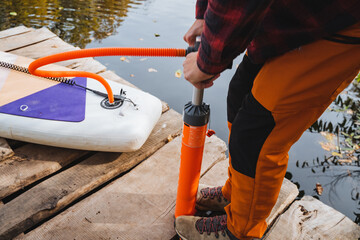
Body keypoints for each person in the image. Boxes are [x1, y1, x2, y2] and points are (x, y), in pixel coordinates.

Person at [174, 0, 360, 239]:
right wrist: (204, 16)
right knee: (240, 94)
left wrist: (207, 62)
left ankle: (240, 230)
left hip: (339, 22)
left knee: (258, 131)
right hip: (293, 14)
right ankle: (236, 195)